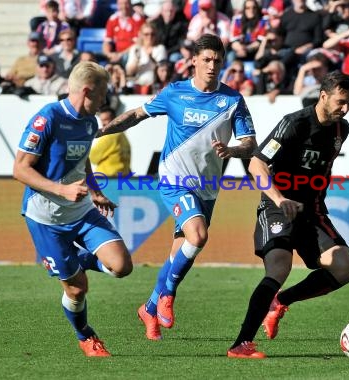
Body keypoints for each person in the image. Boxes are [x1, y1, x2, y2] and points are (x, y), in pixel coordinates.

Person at [97, 34, 257, 341]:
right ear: (194, 61)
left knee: (180, 253)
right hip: (173, 179)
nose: (212, 66)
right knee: (198, 235)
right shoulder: (174, 93)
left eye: (218, 60)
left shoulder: (233, 100)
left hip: (207, 186)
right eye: (207, 59)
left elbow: (250, 143)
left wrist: (233, 151)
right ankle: (168, 295)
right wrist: (105, 130)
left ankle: (149, 307)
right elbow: (136, 115)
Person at [226, 71, 349, 359]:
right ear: (323, 96)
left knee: (345, 267)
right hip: (277, 206)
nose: (345, 109)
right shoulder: (293, 123)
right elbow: (257, 166)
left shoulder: (341, 129)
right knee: (279, 268)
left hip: (312, 211)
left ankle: (280, 301)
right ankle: (241, 344)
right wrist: (279, 198)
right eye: (340, 102)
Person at [12, 61, 133, 357]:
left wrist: (95, 191)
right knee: (78, 289)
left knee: (122, 266)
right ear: (88, 90)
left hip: (80, 211)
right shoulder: (47, 119)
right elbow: (19, 169)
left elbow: (83, 160)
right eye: (103, 94)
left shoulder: (90, 123)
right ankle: (85, 335)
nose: (105, 101)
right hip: (45, 218)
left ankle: (74, 259)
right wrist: (62, 189)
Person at [89, 106, 132, 177]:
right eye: (102, 120)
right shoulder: (123, 136)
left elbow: (92, 158)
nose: (103, 123)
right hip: (121, 179)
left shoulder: (109, 136)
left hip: (106, 178)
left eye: (106, 120)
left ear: (114, 119)